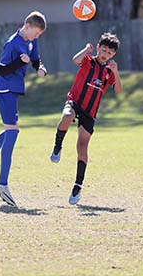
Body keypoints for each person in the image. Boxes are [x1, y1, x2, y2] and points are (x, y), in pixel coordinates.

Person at [0, 11, 47, 207]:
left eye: (39, 35)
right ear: (27, 26)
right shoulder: (12, 43)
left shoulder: (31, 41)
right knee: (12, 133)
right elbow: (2, 70)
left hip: (13, 89)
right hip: (4, 89)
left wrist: (40, 68)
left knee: (10, 131)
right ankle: (2, 183)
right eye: (36, 33)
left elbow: (35, 59)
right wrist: (19, 62)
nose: (36, 38)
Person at [50, 32, 123, 205]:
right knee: (67, 116)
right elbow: (75, 60)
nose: (105, 54)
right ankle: (57, 146)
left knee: (82, 146)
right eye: (103, 49)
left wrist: (116, 73)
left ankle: (77, 186)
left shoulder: (108, 71)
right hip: (74, 101)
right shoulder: (88, 60)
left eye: (109, 53)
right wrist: (85, 49)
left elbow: (118, 90)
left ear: (113, 55)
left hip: (90, 112)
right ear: (98, 47)